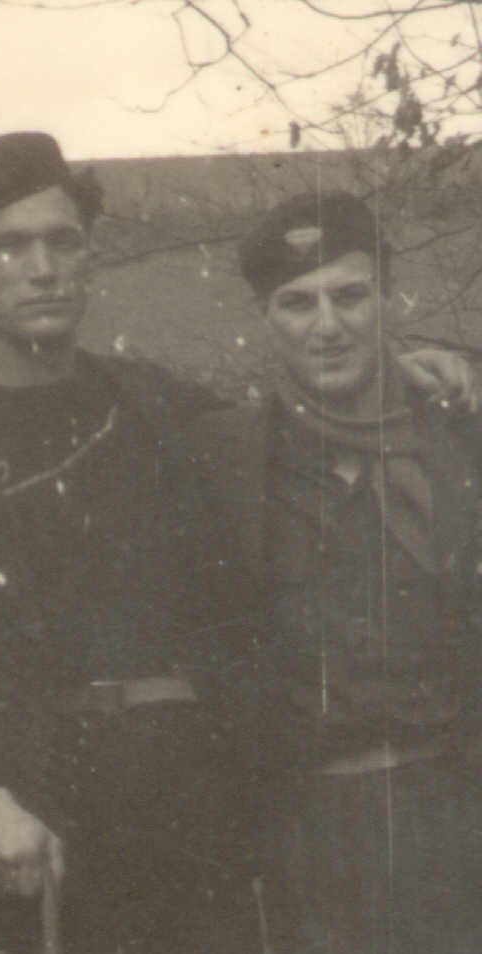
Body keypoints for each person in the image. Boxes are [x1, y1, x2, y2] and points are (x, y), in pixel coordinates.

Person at [0, 131, 266, 953]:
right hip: (31, 833)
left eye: (63, 242)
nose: (42, 268)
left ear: (91, 258)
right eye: (9, 247)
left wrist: (417, 373)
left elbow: (286, 435)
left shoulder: (152, 403)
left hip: (184, 824)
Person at [185, 189, 482, 953]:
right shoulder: (224, 455)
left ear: (388, 298)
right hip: (313, 836)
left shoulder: (460, 436)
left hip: (462, 808)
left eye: (349, 296)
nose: (327, 325)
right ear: (265, 318)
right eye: (297, 303)